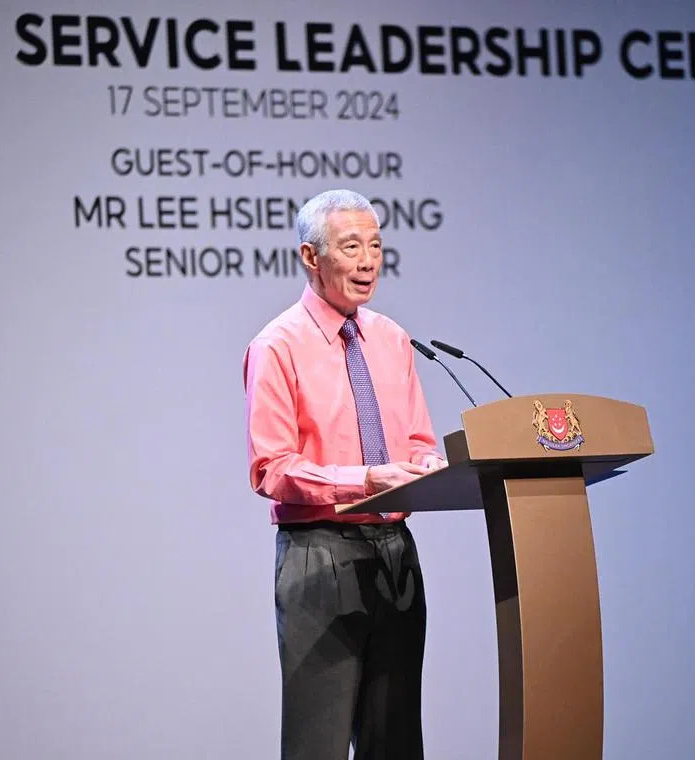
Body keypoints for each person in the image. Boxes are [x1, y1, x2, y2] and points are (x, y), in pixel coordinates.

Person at [242, 188, 447, 759]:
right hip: (319, 551)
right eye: (351, 246)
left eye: (376, 245)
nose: (367, 260)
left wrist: (428, 466)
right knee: (319, 742)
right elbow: (271, 469)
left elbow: (419, 441)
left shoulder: (391, 338)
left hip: (395, 553)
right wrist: (365, 480)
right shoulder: (277, 345)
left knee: (397, 740)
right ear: (312, 257)